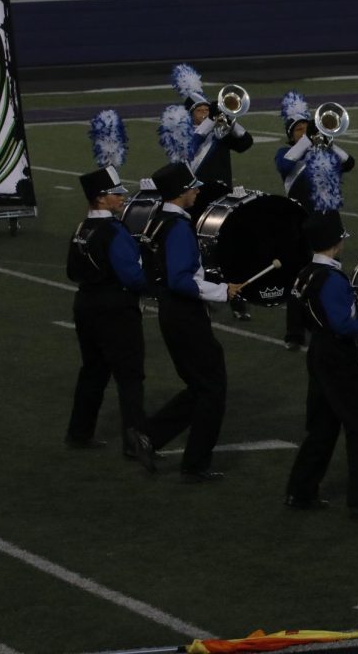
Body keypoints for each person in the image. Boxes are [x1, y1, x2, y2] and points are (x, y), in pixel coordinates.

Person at [126, 162, 240, 483]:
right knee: (213, 386)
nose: (197, 190)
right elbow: (179, 279)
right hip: (184, 314)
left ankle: (148, 435)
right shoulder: (176, 227)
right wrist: (222, 291)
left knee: (201, 385)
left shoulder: (156, 222)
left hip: (171, 312)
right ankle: (195, 464)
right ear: (180, 193)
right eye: (192, 187)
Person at [284, 210, 358, 521]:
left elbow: (296, 306)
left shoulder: (306, 272)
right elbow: (342, 324)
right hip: (337, 355)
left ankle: (301, 490)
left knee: (322, 426)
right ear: (336, 243)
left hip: (320, 353)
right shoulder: (331, 278)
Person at [65, 120, 149, 454]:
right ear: (101, 198)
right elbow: (133, 277)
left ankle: (79, 432)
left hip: (85, 304)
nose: (120, 199)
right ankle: (135, 442)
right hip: (115, 307)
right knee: (130, 376)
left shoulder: (81, 228)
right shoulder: (115, 233)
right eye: (115, 194)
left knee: (93, 372)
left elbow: (72, 271)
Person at [167, 64, 254, 320]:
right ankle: (204, 293)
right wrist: (209, 121)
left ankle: (237, 296)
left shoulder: (219, 133)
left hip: (222, 196)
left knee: (228, 245)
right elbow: (191, 146)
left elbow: (246, 143)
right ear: (189, 115)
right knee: (198, 249)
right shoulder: (183, 136)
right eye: (200, 111)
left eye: (207, 109)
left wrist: (230, 119)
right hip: (194, 198)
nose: (206, 113)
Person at [275, 91, 356, 350]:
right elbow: (286, 166)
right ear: (291, 135)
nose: (303, 132)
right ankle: (294, 333)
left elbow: (349, 162)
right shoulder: (285, 153)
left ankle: (329, 321)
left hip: (329, 220)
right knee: (300, 277)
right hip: (300, 221)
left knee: (332, 273)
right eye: (298, 129)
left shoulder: (324, 154)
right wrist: (308, 139)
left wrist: (328, 141)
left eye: (306, 128)